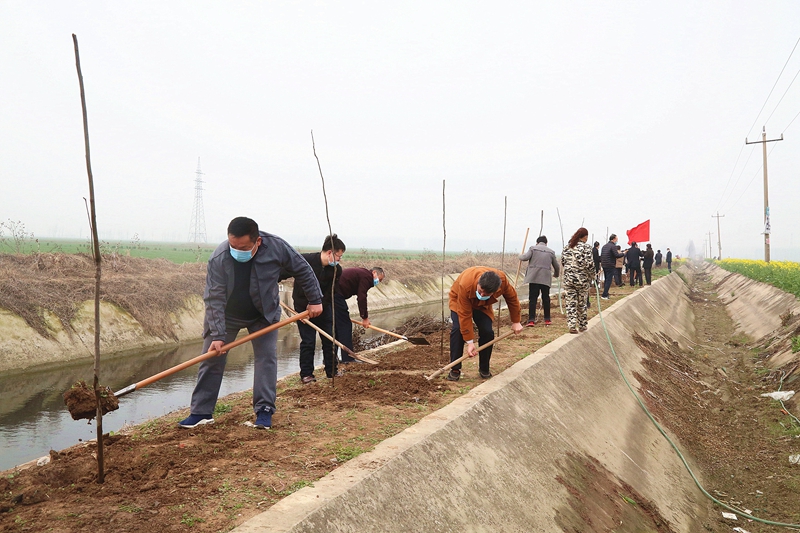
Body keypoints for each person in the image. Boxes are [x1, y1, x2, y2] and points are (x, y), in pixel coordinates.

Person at [179, 217, 322, 430]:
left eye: (243, 248)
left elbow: (303, 269)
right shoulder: (219, 257)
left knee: (266, 359)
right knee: (211, 358)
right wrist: (217, 334)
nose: (237, 251)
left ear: (258, 241)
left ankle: (264, 410)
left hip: (263, 315)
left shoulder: (276, 247)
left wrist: (315, 299)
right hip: (227, 316)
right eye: (233, 246)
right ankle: (201, 412)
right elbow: (214, 298)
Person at [288, 234, 345, 384]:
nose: (339, 260)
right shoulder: (304, 261)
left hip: (324, 309)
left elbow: (331, 293)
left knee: (330, 339)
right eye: (338, 256)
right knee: (308, 342)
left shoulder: (336, 270)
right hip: (303, 310)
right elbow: (296, 288)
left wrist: (320, 306)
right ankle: (307, 374)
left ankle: (332, 371)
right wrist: (303, 311)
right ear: (330, 252)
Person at [447, 267, 523, 381]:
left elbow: (512, 298)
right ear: (479, 283)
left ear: (495, 290)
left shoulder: (502, 281)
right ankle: (455, 369)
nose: (482, 295)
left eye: (486, 293)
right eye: (480, 291)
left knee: (487, 332)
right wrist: (470, 342)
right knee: (458, 330)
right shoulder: (466, 283)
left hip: (483, 305)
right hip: (459, 300)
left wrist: (516, 321)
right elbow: (465, 315)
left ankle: (484, 368)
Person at [334, 266, 385, 363]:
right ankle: (348, 359)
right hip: (336, 294)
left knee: (336, 327)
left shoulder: (363, 274)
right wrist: (365, 317)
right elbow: (361, 297)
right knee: (345, 326)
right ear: (374, 273)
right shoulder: (367, 277)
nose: (378, 282)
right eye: (379, 279)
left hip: (334, 293)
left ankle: (330, 358)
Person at [519, 235, 560, 326]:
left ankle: (531, 320)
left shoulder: (532, 248)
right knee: (546, 298)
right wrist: (556, 274)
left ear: (537, 242)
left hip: (534, 278)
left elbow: (524, 258)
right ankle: (547, 320)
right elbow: (557, 266)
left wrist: (520, 256)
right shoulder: (551, 252)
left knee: (533, 299)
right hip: (545, 278)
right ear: (546, 243)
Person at [561, 228, 595, 333]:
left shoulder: (567, 247)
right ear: (585, 237)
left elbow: (563, 261)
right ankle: (582, 325)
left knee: (570, 303)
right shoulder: (586, 247)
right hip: (582, 280)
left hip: (568, 279)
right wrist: (593, 275)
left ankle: (571, 325)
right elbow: (589, 264)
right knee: (581, 302)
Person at [600, 234, 624, 299]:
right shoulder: (613, 246)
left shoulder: (604, 246)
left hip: (604, 264)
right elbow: (616, 255)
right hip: (610, 265)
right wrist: (623, 254)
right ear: (613, 239)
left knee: (606, 279)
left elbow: (602, 255)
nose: (617, 240)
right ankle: (604, 295)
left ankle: (605, 293)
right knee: (609, 280)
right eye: (616, 239)